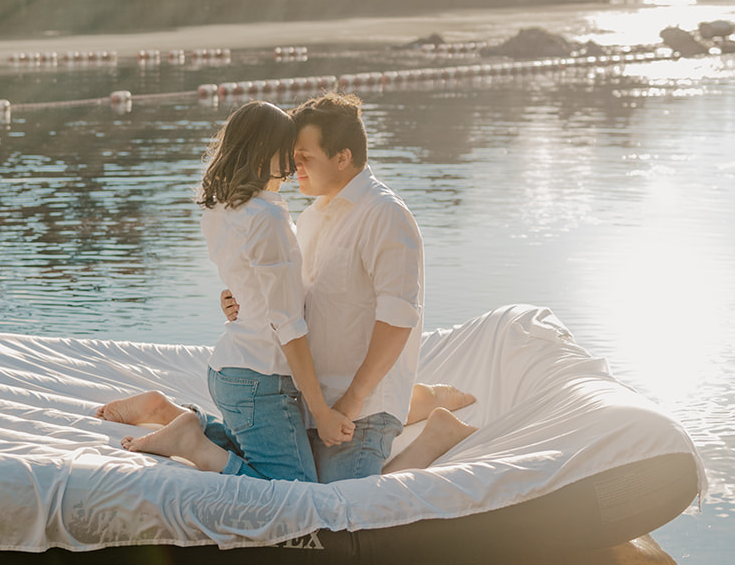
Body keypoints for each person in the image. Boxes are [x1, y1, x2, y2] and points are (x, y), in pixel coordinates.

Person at [95, 101, 354, 478]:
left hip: (231, 369)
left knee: (257, 452)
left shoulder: (221, 210)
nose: (297, 158)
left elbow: (247, 280)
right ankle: (193, 443)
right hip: (260, 379)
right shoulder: (268, 217)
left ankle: (172, 417)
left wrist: (237, 299)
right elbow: (286, 322)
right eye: (290, 148)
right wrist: (320, 410)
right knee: (295, 493)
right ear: (266, 151)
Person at [288, 93, 474, 480]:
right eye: (294, 155)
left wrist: (352, 403)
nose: (295, 166)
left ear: (342, 157)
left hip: (362, 409)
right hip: (314, 404)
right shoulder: (309, 219)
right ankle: (421, 400)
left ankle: (433, 434)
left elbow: (398, 318)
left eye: (306, 156)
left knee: (342, 507)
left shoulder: (385, 215)